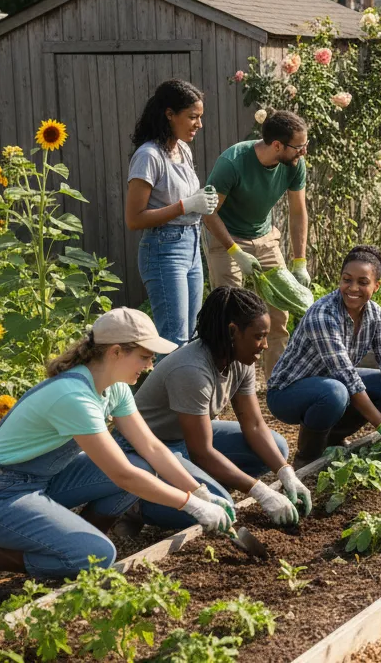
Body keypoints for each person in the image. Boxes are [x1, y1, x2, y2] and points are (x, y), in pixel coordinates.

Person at [0, 309, 235, 600]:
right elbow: (122, 476)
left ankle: (74, 538)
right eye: (145, 356)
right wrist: (190, 505)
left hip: (44, 479)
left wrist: (198, 491)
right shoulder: (74, 396)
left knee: (141, 464)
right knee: (98, 555)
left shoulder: (114, 388)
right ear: (116, 352)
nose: (151, 365)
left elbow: (151, 447)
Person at [131, 287, 311, 530]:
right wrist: (260, 491)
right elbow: (202, 453)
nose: (265, 345)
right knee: (219, 506)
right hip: (149, 451)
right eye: (259, 336)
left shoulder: (239, 358)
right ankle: (137, 505)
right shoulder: (191, 370)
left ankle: (207, 484)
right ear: (233, 331)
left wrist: (286, 472)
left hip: (184, 440)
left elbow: (255, 425)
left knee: (277, 447)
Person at [267, 246, 381, 467]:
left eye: (363, 282)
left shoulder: (375, 315)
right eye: (347, 280)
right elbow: (346, 376)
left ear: (376, 286)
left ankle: (334, 437)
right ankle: (308, 457)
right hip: (287, 392)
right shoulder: (323, 314)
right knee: (336, 392)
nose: (353, 288)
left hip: (330, 383)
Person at [204, 110, 312, 379]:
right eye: (299, 147)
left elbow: (298, 211)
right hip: (225, 238)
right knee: (229, 315)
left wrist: (300, 261)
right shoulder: (232, 162)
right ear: (277, 145)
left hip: (264, 238)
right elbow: (208, 213)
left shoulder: (295, 165)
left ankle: (277, 383)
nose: (303, 153)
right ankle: (225, 381)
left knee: (279, 315)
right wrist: (234, 251)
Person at [124, 79, 219, 348]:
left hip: (191, 245)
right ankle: (161, 391)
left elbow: (190, 200)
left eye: (200, 117)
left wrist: (202, 202)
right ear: (169, 114)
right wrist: (186, 206)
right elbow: (134, 219)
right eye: (192, 117)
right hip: (164, 249)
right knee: (172, 340)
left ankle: (183, 391)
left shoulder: (183, 150)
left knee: (191, 338)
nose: (199, 124)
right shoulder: (148, 156)